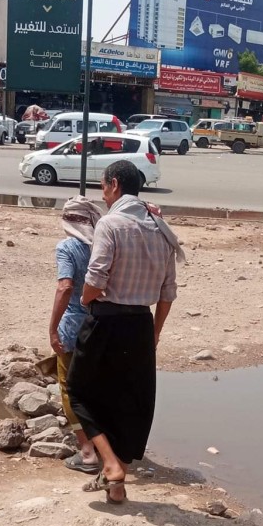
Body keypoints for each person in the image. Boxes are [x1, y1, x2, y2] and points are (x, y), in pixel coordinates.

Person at [67, 160, 184, 503]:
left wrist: (88, 299)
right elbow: (167, 293)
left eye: (103, 188)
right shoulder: (160, 227)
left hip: (106, 320)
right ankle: (115, 487)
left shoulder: (111, 223)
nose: (103, 196)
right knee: (128, 401)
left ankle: (111, 466)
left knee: (79, 392)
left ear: (114, 185)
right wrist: (155, 333)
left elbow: (95, 277)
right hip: (141, 325)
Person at [49, 196, 102, 473]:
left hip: (72, 328)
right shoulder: (102, 247)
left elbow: (65, 287)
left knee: (70, 390)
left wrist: (52, 329)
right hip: (101, 326)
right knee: (97, 388)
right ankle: (105, 445)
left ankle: (87, 452)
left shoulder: (67, 247)